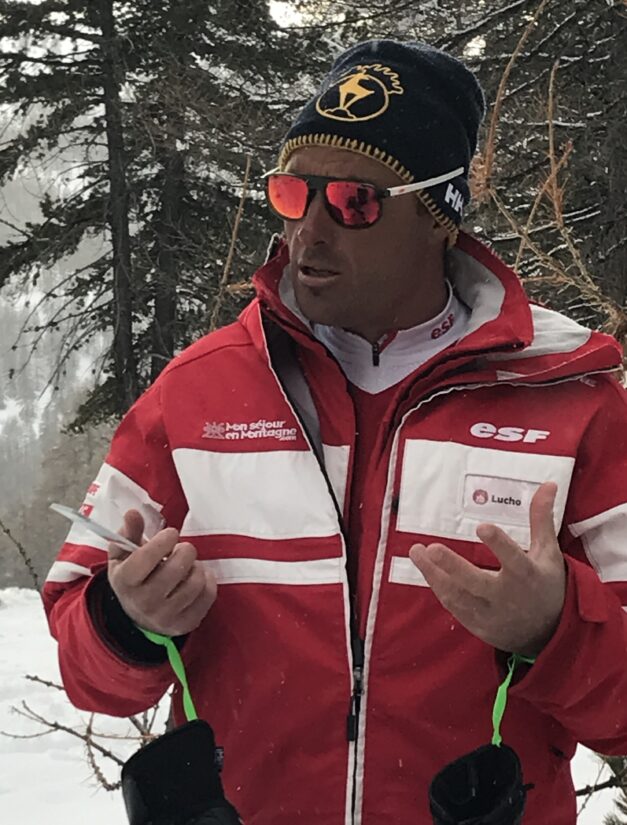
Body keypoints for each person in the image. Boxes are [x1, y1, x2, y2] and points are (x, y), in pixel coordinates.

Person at [43, 39, 627, 825]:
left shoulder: (570, 399)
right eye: (293, 194)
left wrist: (555, 629)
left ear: (439, 217)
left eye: (354, 202)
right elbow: (88, 670)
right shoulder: (196, 392)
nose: (307, 233)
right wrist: (127, 618)